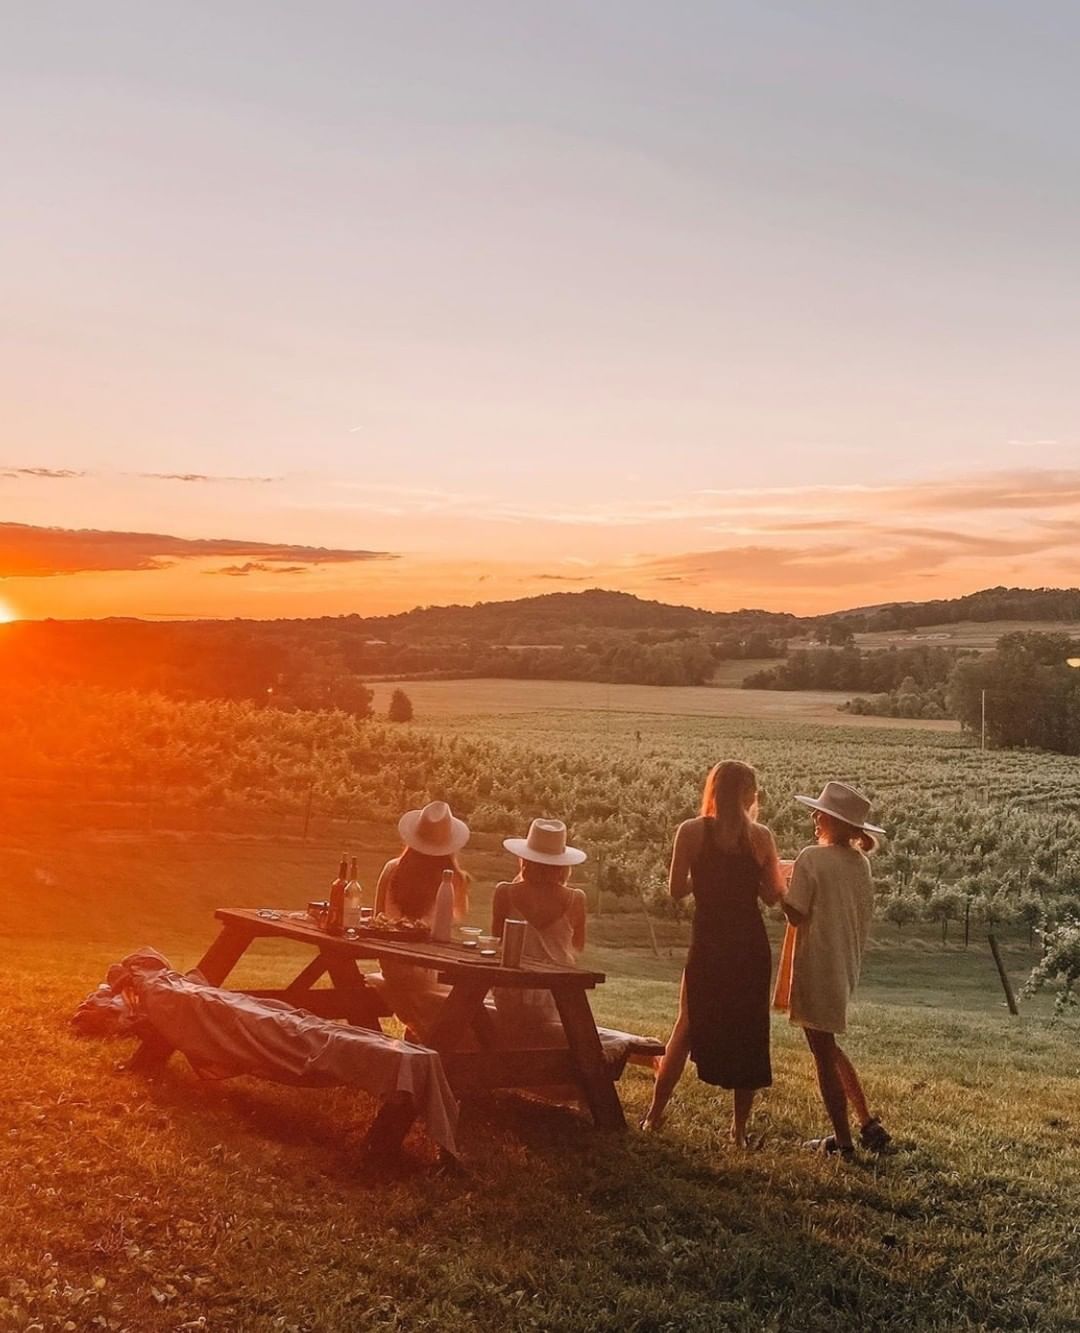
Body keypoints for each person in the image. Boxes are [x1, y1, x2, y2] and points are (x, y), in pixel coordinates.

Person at [642, 761, 786, 1146]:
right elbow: (772, 896)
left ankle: (654, 1116)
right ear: (750, 794)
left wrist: (704, 878)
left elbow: (676, 889)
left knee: (687, 1025)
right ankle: (738, 1131)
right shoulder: (761, 837)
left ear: (712, 789)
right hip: (749, 945)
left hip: (708, 941)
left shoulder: (690, 832)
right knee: (750, 1032)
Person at [773, 781, 891, 1158]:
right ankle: (867, 1122)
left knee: (822, 1051)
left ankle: (842, 1142)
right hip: (843, 963)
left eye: (819, 813)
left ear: (832, 821)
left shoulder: (812, 857)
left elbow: (796, 913)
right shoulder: (861, 864)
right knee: (828, 1045)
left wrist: (775, 884)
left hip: (817, 962)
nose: (814, 817)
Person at [370, 800, 471, 1042]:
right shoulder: (453, 879)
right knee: (470, 998)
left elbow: (377, 918)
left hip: (390, 966)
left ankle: (416, 1037)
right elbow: (450, 926)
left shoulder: (391, 869)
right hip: (426, 972)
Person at [491, 818, 587, 1036]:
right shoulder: (575, 898)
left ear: (524, 859)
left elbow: (497, 937)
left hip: (510, 990)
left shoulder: (505, 892)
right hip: (556, 993)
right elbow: (578, 946)